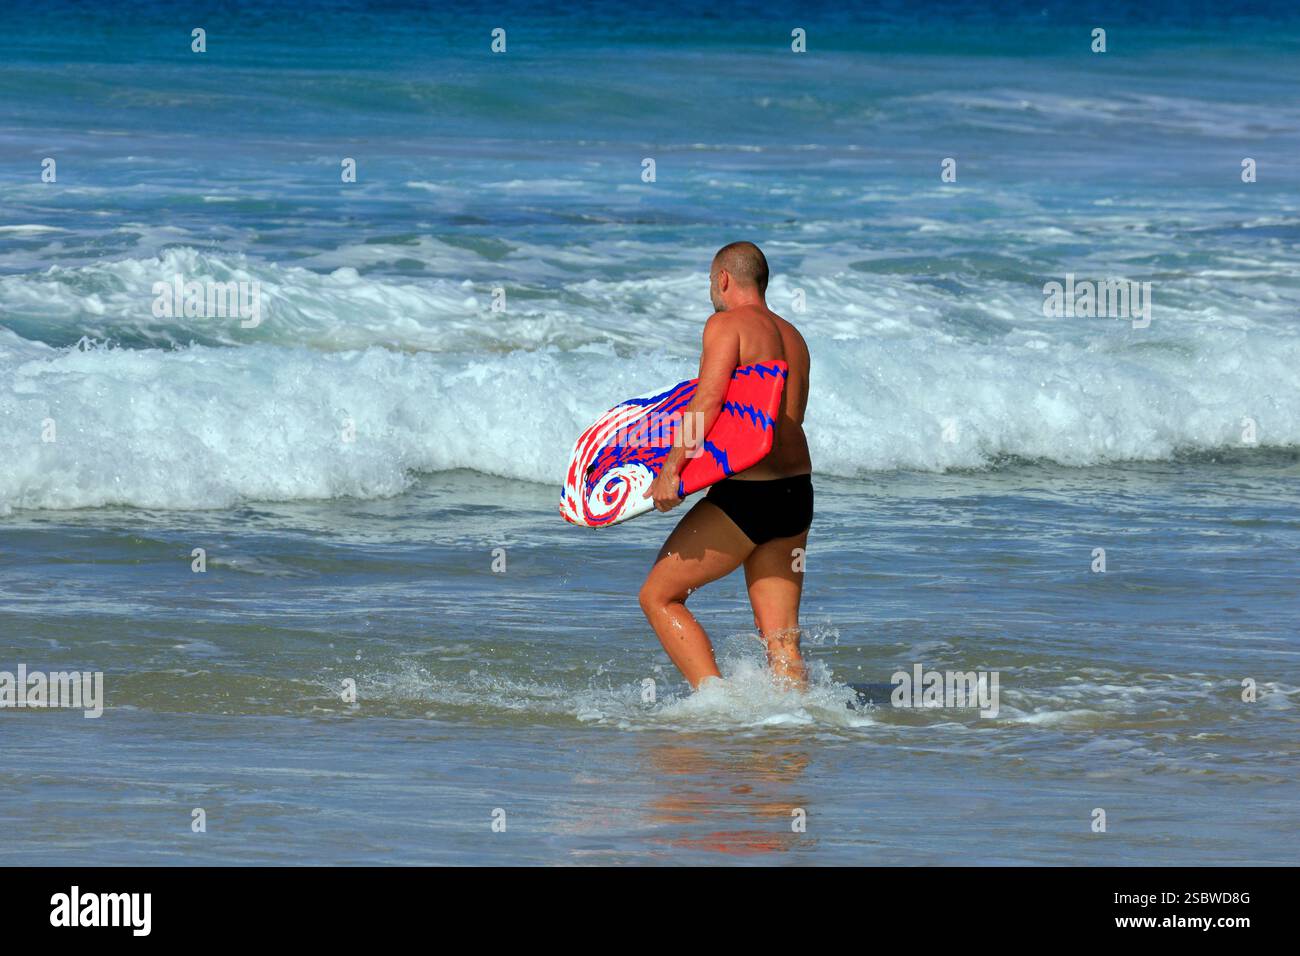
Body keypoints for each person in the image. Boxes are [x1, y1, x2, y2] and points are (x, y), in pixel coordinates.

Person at [639, 241, 813, 690]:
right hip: (795, 494)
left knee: (659, 596)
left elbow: (708, 403)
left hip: (748, 498)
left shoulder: (726, 324)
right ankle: (794, 731)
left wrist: (673, 469)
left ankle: (714, 702)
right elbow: (779, 423)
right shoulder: (794, 337)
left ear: (723, 279)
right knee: (780, 640)